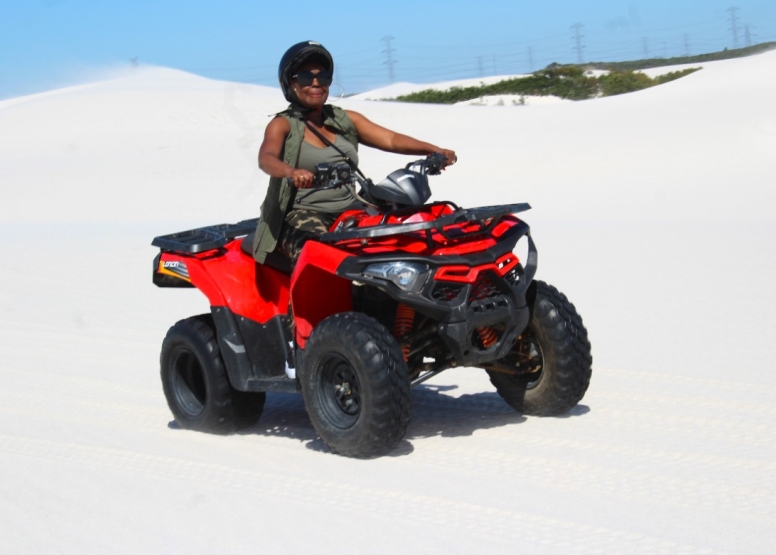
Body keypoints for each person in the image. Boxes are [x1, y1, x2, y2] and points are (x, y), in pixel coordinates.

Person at [252, 40, 457, 266]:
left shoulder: (345, 119)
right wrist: (291, 172)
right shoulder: (283, 124)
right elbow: (266, 158)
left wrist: (434, 150)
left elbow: (391, 139)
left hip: (351, 208)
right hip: (302, 214)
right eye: (305, 77)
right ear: (290, 83)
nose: (315, 83)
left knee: (400, 243)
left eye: (323, 76)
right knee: (319, 259)